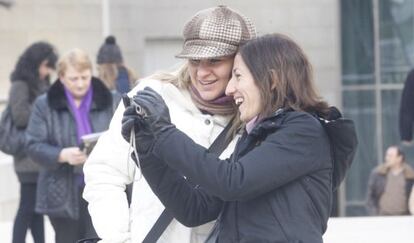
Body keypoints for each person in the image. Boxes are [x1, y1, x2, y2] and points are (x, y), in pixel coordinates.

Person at [121, 33, 337, 242]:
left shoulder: (303, 132)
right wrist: (148, 150)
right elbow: (194, 209)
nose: (230, 88)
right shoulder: (256, 138)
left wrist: (164, 132)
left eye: (238, 76)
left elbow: (232, 182)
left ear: (272, 80)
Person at [83, 5, 256, 243]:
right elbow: (104, 172)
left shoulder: (255, 120)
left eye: (215, 60)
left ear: (242, 61)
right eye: (194, 60)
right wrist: (118, 238)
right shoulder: (151, 95)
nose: (202, 72)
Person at [25, 48, 118, 243]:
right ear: (61, 77)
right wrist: (61, 154)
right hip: (62, 190)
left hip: (103, 188)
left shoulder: (109, 100)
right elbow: (32, 145)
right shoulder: (44, 104)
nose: (81, 84)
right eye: (74, 79)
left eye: (85, 77)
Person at [9, 41, 57, 243]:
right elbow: (19, 116)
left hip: (40, 154)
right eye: (45, 66)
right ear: (35, 62)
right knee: (27, 207)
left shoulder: (42, 84)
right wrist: (43, 111)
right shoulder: (20, 84)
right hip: (26, 156)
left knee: (37, 209)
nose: (47, 71)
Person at [366, 145, 414, 216]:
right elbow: (370, 197)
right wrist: (375, 214)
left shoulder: (410, 175)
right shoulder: (378, 173)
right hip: (383, 216)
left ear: (399, 158)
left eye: (390, 156)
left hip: (404, 217)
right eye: (387, 155)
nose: (387, 158)